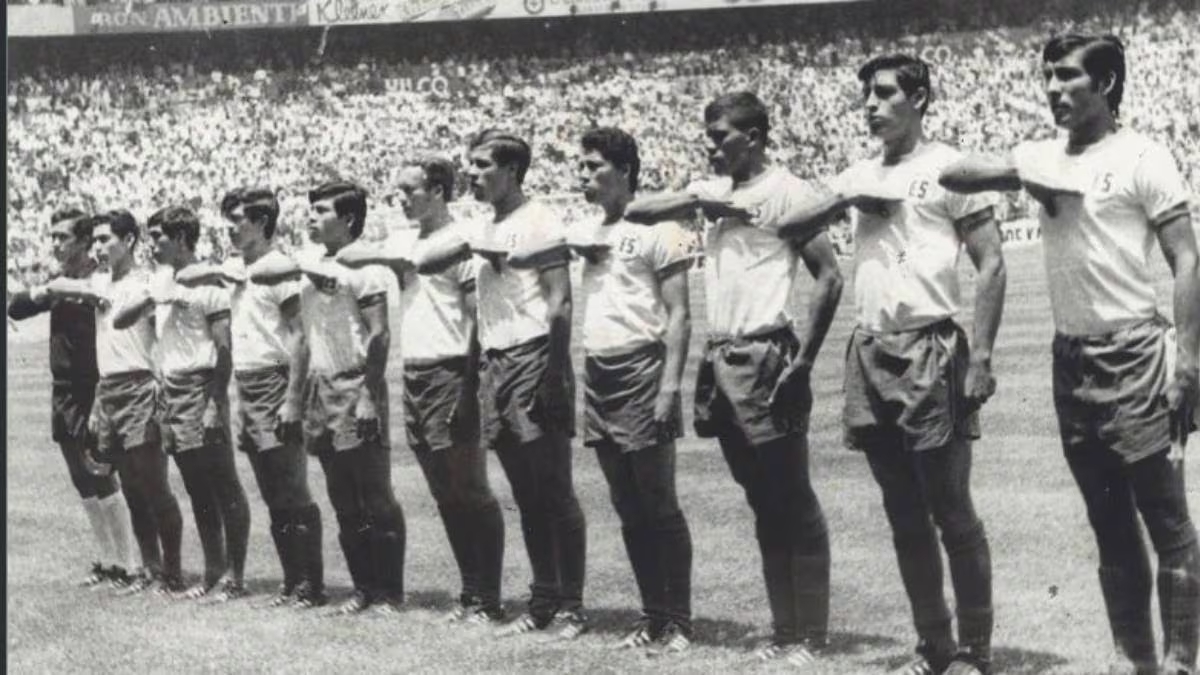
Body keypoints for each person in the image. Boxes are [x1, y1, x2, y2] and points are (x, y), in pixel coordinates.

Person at [939, 34, 1199, 675]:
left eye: (1066, 76)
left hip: (1136, 351)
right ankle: (1132, 659)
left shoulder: (1143, 156)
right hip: (1072, 360)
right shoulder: (1042, 154)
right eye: (1047, 77)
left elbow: (1187, 259)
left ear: (1105, 84)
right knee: (1108, 522)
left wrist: (1189, 360)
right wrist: (1029, 174)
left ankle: (1180, 661)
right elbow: (953, 174)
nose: (1053, 89)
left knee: (1167, 520)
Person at [776, 54, 1006, 675]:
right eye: (866, 96)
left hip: (931, 348)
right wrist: (848, 195)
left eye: (883, 94)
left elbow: (991, 263)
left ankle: (976, 652)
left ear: (919, 97)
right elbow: (790, 223)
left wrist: (982, 356)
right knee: (903, 515)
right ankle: (934, 647)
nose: (871, 106)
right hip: (870, 350)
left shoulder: (950, 169)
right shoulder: (859, 173)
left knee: (951, 509)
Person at [625, 92, 843, 667]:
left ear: (754, 137)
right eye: (708, 135)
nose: (710, 145)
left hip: (767, 352)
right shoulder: (711, 192)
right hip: (718, 357)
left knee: (792, 496)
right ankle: (784, 631)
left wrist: (803, 364)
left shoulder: (788, 191)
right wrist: (703, 200)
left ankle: (812, 636)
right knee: (760, 499)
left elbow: (829, 277)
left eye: (720, 135)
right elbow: (637, 211)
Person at [420, 130, 589, 639]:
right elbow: (428, 265)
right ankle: (543, 600)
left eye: (482, 165)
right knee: (525, 492)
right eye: (469, 164)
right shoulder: (481, 226)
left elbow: (560, 302)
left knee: (554, 487)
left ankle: (572, 606)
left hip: (534, 356)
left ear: (512, 170)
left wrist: (555, 373)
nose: (471, 173)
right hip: (496, 362)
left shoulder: (540, 220)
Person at [338, 159, 506, 626]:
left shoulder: (461, 240)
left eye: (409, 191)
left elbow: (476, 318)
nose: (400, 200)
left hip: (453, 370)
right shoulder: (403, 241)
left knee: (471, 487)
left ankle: (488, 597)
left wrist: (469, 387)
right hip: (415, 371)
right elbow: (353, 258)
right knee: (444, 492)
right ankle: (471, 592)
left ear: (437, 191)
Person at [249, 181, 407, 615]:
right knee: (342, 497)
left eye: (321, 211)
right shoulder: (314, 262)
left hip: (356, 381)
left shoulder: (366, 267)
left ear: (349, 219)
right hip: (321, 386)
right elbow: (262, 275)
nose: (311, 217)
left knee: (375, 494)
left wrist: (369, 395)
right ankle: (363, 589)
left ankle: (390, 593)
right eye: (311, 210)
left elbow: (379, 334)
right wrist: (311, 268)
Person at [571, 127, 695, 654]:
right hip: (598, 373)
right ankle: (652, 615)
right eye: (581, 165)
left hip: (643, 371)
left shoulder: (665, 228)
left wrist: (669, 387)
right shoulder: (587, 229)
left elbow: (680, 314)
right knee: (626, 504)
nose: (583, 174)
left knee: (658, 501)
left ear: (624, 170)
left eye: (593, 165)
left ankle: (679, 620)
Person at [177, 188, 327, 608]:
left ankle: (311, 586)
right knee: (271, 490)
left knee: (291, 486)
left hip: (276, 379)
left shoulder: (281, 270)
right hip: (247, 382)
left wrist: (293, 400)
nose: (229, 227)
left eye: (237, 219)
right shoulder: (236, 268)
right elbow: (187, 277)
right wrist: (229, 272)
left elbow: (299, 338)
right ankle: (292, 581)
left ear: (262, 222)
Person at [113, 205, 252, 602]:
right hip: (171, 390)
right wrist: (153, 296)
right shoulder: (160, 280)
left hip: (201, 386)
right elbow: (121, 320)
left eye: (158, 237)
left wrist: (214, 402)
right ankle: (213, 573)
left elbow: (224, 348)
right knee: (196, 486)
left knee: (223, 482)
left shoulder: (209, 283)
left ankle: (235, 578)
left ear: (180, 238)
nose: (151, 244)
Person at [50, 209, 188, 595]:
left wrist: (160, 385)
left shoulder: (147, 281)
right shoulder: (99, 281)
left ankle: (172, 573)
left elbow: (160, 335)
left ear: (128, 241)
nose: (97, 247)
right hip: (109, 390)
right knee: (131, 488)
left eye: (104, 239)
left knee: (154, 485)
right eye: (94, 240)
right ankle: (149, 569)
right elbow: (63, 285)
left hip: (141, 386)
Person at [6, 208, 137, 588]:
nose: (54, 244)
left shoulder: (98, 280)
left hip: (91, 387)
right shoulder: (60, 282)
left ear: (83, 241)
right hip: (63, 388)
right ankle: (107, 561)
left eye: (62, 237)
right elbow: (16, 306)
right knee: (81, 478)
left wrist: (99, 398)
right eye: (52, 236)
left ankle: (128, 564)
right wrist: (49, 289)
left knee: (101, 474)